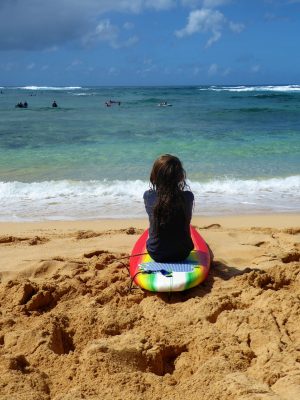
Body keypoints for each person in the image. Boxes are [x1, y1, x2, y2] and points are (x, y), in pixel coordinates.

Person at [143, 154, 194, 262]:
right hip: (183, 253)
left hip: (156, 253)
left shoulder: (148, 196)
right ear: (181, 176)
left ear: (154, 176)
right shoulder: (188, 197)